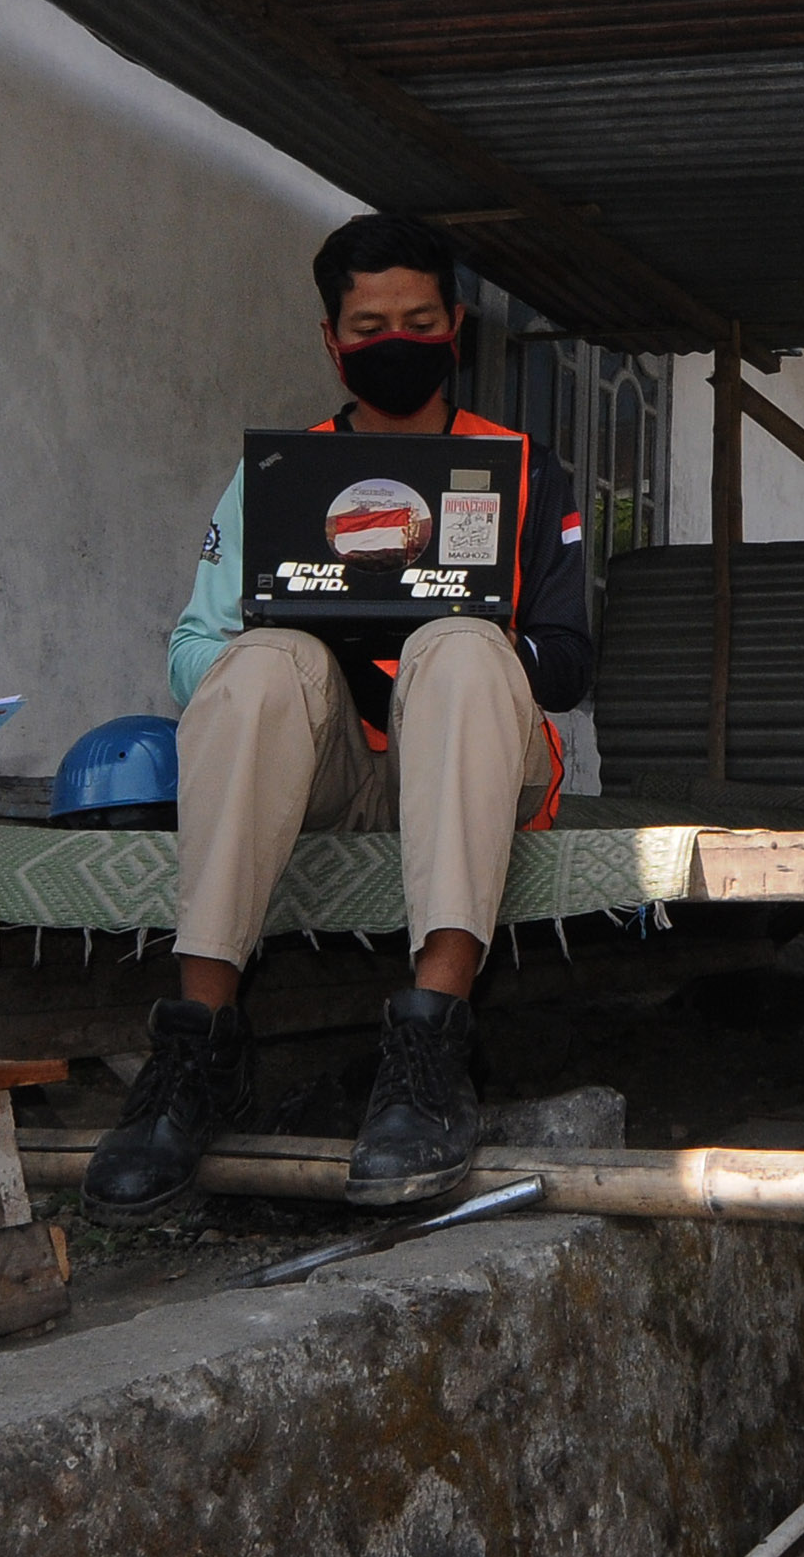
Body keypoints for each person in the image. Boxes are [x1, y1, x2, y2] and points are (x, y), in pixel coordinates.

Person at [84, 213, 593, 1223]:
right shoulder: (282, 479)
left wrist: (440, 629)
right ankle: (197, 1047)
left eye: (415, 318)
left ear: (452, 323)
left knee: (454, 645)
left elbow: (568, 660)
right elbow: (194, 651)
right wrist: (315, 642)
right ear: (330, 338)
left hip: (466, 753)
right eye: (366, 324)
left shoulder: (524, 468)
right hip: (320, 769)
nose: (391, 340)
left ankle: (430, 1044)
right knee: (262, 659)